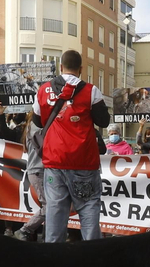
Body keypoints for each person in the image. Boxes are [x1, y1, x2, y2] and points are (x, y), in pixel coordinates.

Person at [33, 50, 109, 242]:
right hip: (84, 163)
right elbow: (104, 121)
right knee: (88, 208)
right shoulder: (91, 90)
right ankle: (92, 259)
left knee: (55, 213)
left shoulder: (43, 90)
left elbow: (38, 121)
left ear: (60, 67)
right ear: (81, 69)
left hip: (55, 162)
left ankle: (53, 260)